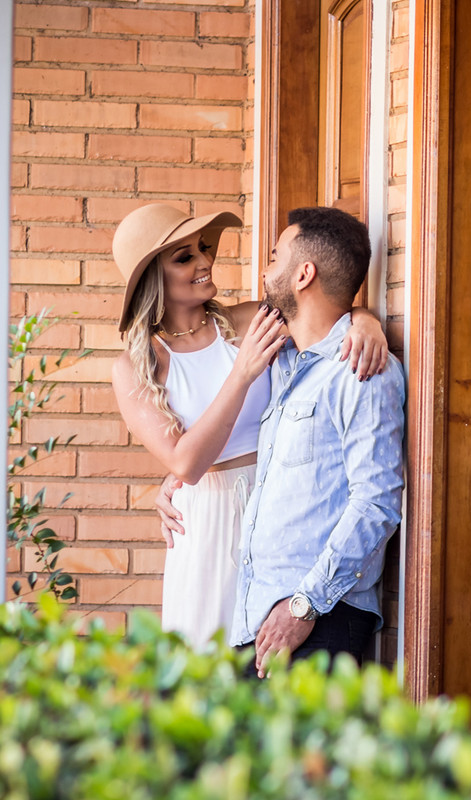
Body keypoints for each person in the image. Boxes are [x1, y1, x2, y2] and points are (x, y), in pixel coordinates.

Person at [111, 203, 389, 648]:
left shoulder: (245, 321)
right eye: (184, 258)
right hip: (205, 521)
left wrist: (367, 322)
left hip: (277, 506)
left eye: (203, 249)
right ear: (152, 280)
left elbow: (320, 305)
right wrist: (240, 373)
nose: (204, 262)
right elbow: (186, 462)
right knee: (209, 669)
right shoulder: (136, 366)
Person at [224, 206, 404, 676]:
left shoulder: (361, 370)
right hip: (259, 617)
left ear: (304, 274)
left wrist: (304, 605)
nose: (265, 270)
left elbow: (377, 503)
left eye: (273, 256)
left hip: (316, 621)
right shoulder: (283, 359)